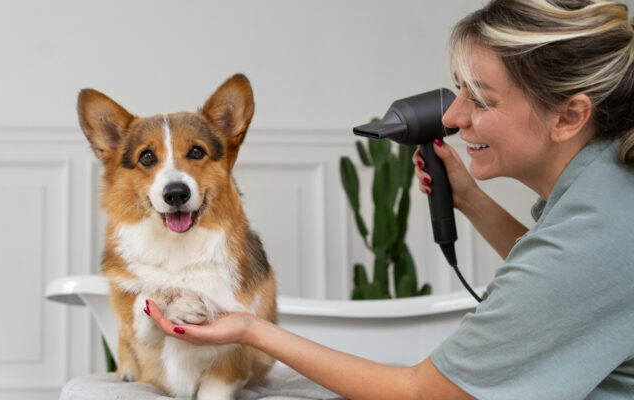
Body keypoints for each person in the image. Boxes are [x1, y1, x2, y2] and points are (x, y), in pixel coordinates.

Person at [147, 0, 634, 398]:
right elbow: (569, 287)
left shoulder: (599, 232)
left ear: (568, 117)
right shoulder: (606, 190)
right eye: (459, 90)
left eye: (481, 100)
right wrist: (472, 201)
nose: (455, 115)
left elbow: (423, 393)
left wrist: (251, 330)